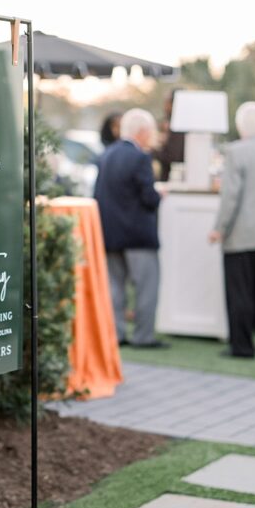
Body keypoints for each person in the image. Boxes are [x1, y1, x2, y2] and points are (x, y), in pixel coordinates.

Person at [208, 101, 255, 358]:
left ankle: (242, 346)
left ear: (241, 125)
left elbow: (231, 195)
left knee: (240, 291)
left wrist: (219, 228)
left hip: (243, 231)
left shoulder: (235, 152)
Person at [94, 108, 167, 349]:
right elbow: (149, 198)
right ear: (143, 131)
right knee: (147, 286)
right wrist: (159, 195)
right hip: (137, 235)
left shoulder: (106, 155)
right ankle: (143, 336)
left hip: (111, 233)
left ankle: (118, 334)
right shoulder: (140, 158)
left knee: (115, 287)